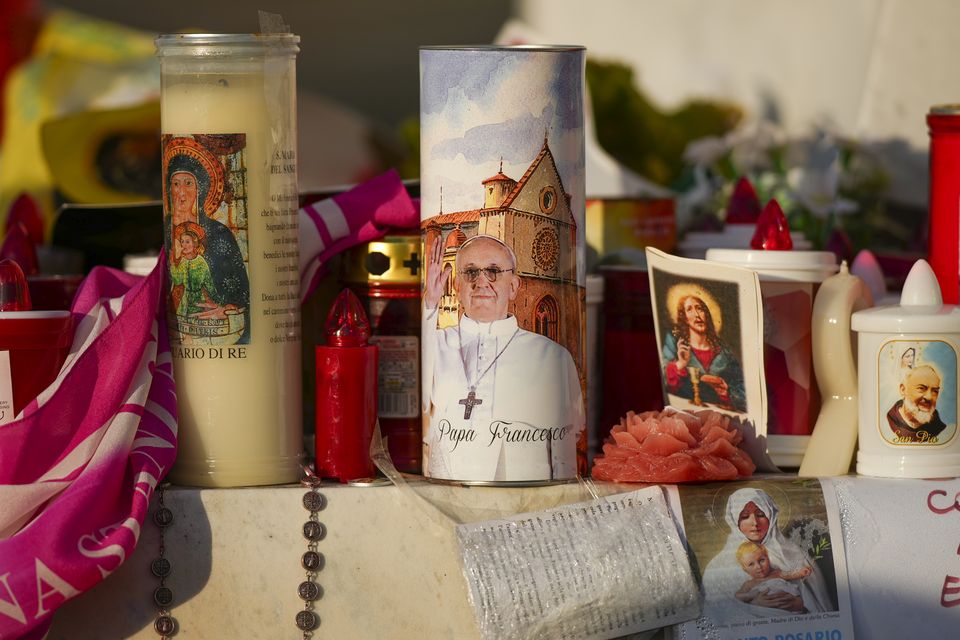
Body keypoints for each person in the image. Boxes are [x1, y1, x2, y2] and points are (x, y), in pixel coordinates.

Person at [421, 233, 584, 481]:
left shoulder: (554, 357)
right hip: (446, 494)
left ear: (513, 287)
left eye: (494, 271)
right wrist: (429, 304)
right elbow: (416, 408)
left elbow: (565, 451)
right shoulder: (434, 345)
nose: (482, 281)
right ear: (457, 286)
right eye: (470, 272)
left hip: (526, 502)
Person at [699, 487, 834, 622]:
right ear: (735, 520)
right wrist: (754, 605)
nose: (755, 523)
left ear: (771, 516)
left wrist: (799, 604)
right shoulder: (719, 565)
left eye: (760, 514)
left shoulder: (793, 554)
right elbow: (716, 612)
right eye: (745, 516)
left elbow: (820, 603)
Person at [164, 138, 250, 343]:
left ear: (200, 190)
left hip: (217, 329)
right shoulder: (166, 228)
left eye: (188, 184)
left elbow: (240, 291)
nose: (181, 193)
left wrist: (227, 309)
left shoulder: (219, 232)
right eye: (176, 184)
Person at [661, 288, 746, 412]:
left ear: (707, 314)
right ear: (684, 317)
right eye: (689, 309)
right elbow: (664, 384)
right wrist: (680, 364)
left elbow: (744, 391)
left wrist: (726, 391)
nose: (697, 314)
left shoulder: (724, 352)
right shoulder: (674, 343)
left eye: (700, 308)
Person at [735, 541, 811, 612]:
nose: (758, 566)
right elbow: (737, 597)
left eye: (761, 560)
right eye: (751, 564)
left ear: (768, 559)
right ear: (745, 570)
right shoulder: (749, 584)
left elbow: (790, 574)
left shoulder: (776, 574)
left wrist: (801, 572)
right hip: (770, 609)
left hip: (788, 602)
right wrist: (749, 595)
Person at [886, 364, 948, 442]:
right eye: (921, 388)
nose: (929, 397)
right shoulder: (886, 423)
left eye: (935, 391)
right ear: (903, 390)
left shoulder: (941, 429)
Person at [169, 222, 218, 317]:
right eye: (182, 241)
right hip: (185, 303)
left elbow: (209, 283)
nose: (184, 245)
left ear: (195, 244)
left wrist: (217, 301)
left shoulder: (201, 262)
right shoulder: (183, 261)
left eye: (187, 242)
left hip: (199, 300)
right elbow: (177, 281)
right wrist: (173, 265)